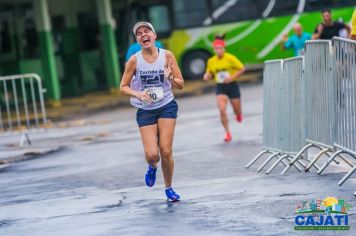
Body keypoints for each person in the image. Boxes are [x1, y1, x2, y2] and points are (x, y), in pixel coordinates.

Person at [120, 22, 184, 202]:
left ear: (154, 36)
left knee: (165, 150)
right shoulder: (134, 60)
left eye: (146, 31)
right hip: (145, 110)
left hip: (166, 105)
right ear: (138, 40)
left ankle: (169, 188)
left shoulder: (167, 56)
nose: (143, 34)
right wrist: (138, 93)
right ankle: (152, 167)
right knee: (152, 155)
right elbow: (123, 87)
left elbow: (180, 84)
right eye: (139, 33)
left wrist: (169, 76)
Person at [203, 35, 245, 142]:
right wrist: (207, 76)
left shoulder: (230, 58)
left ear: (224, 48)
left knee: (237, 109)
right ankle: (227, 133)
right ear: (214, 49)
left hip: (232, 86)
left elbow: (242, 69)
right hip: (220, 87)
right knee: (222, 109)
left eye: (220, 48)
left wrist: (231, 78)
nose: (218, 50)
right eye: (216, 49)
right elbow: (209, 72)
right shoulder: (211, 61)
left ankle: (238, 114)